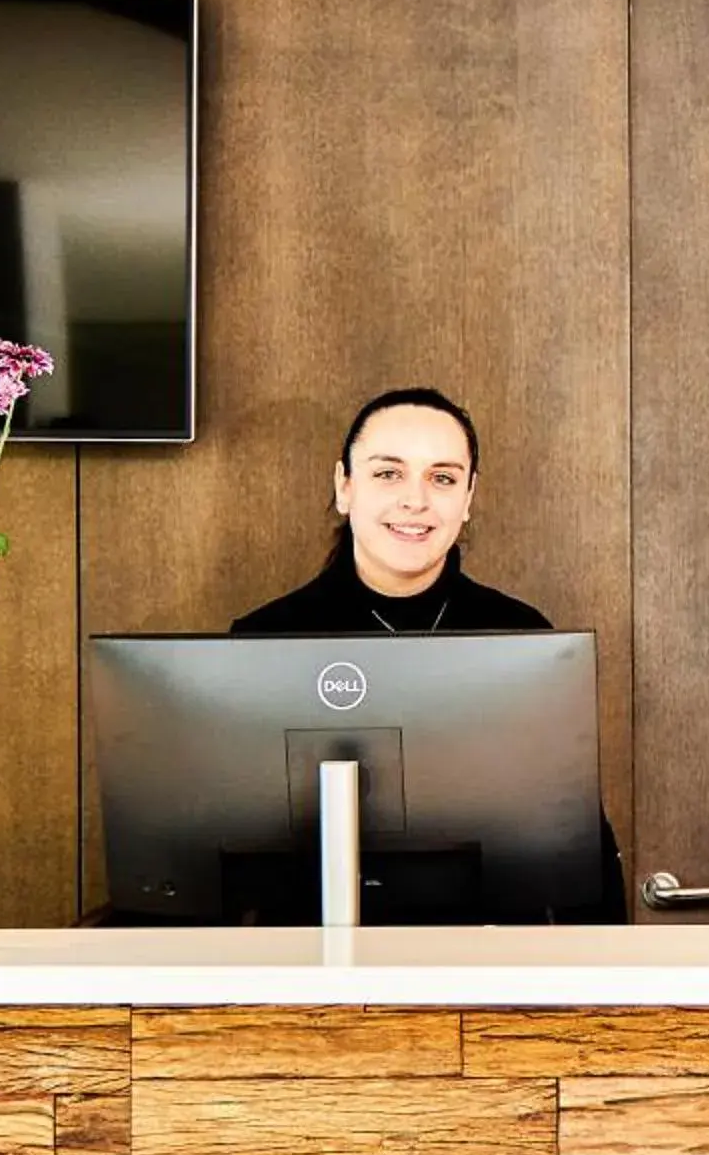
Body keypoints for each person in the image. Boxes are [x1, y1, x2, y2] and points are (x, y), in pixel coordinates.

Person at [234, 387, 627, 920]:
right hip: (312, 967)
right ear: (344, 487)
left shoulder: (521, 637)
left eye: (441, 478)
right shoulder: (265, 639)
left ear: (467, 499)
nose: (415, 500)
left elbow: (577, 841)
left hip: (488, 966)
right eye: (388, 473)